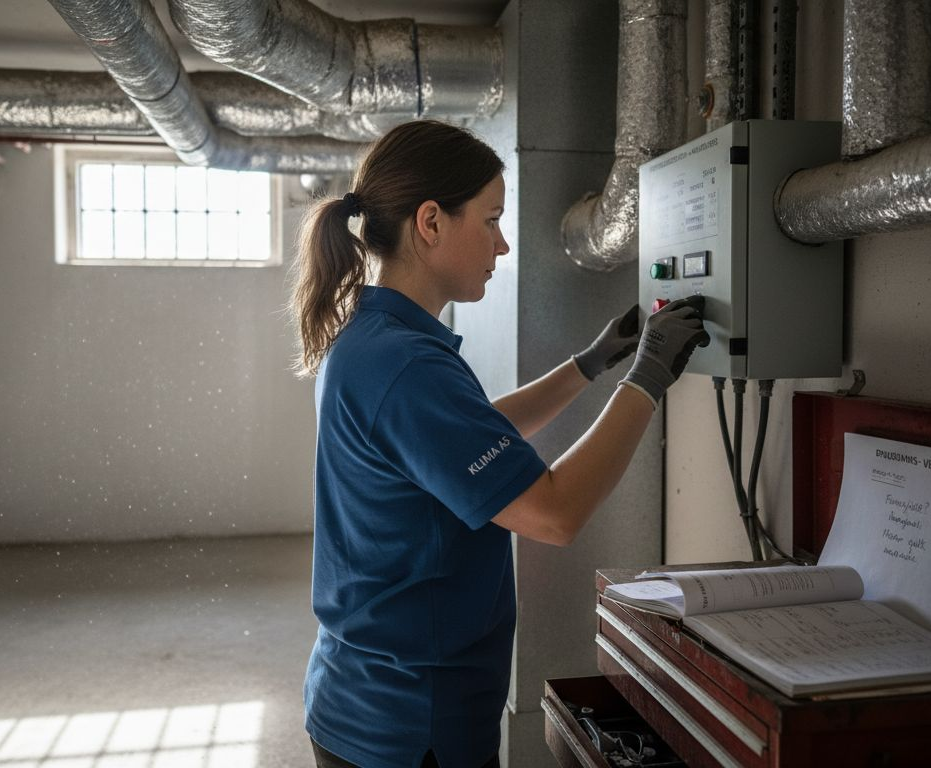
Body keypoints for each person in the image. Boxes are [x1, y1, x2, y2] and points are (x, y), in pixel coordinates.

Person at [291, 120, 708, 768]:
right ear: (430, 223)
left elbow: (460, 442)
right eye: (489, 221)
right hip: (411, 725)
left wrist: (590, 364)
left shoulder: (375, 342)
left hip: (368, 698)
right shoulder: (407, 367)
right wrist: (648, 379)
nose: (502, 243)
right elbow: (555, 511)